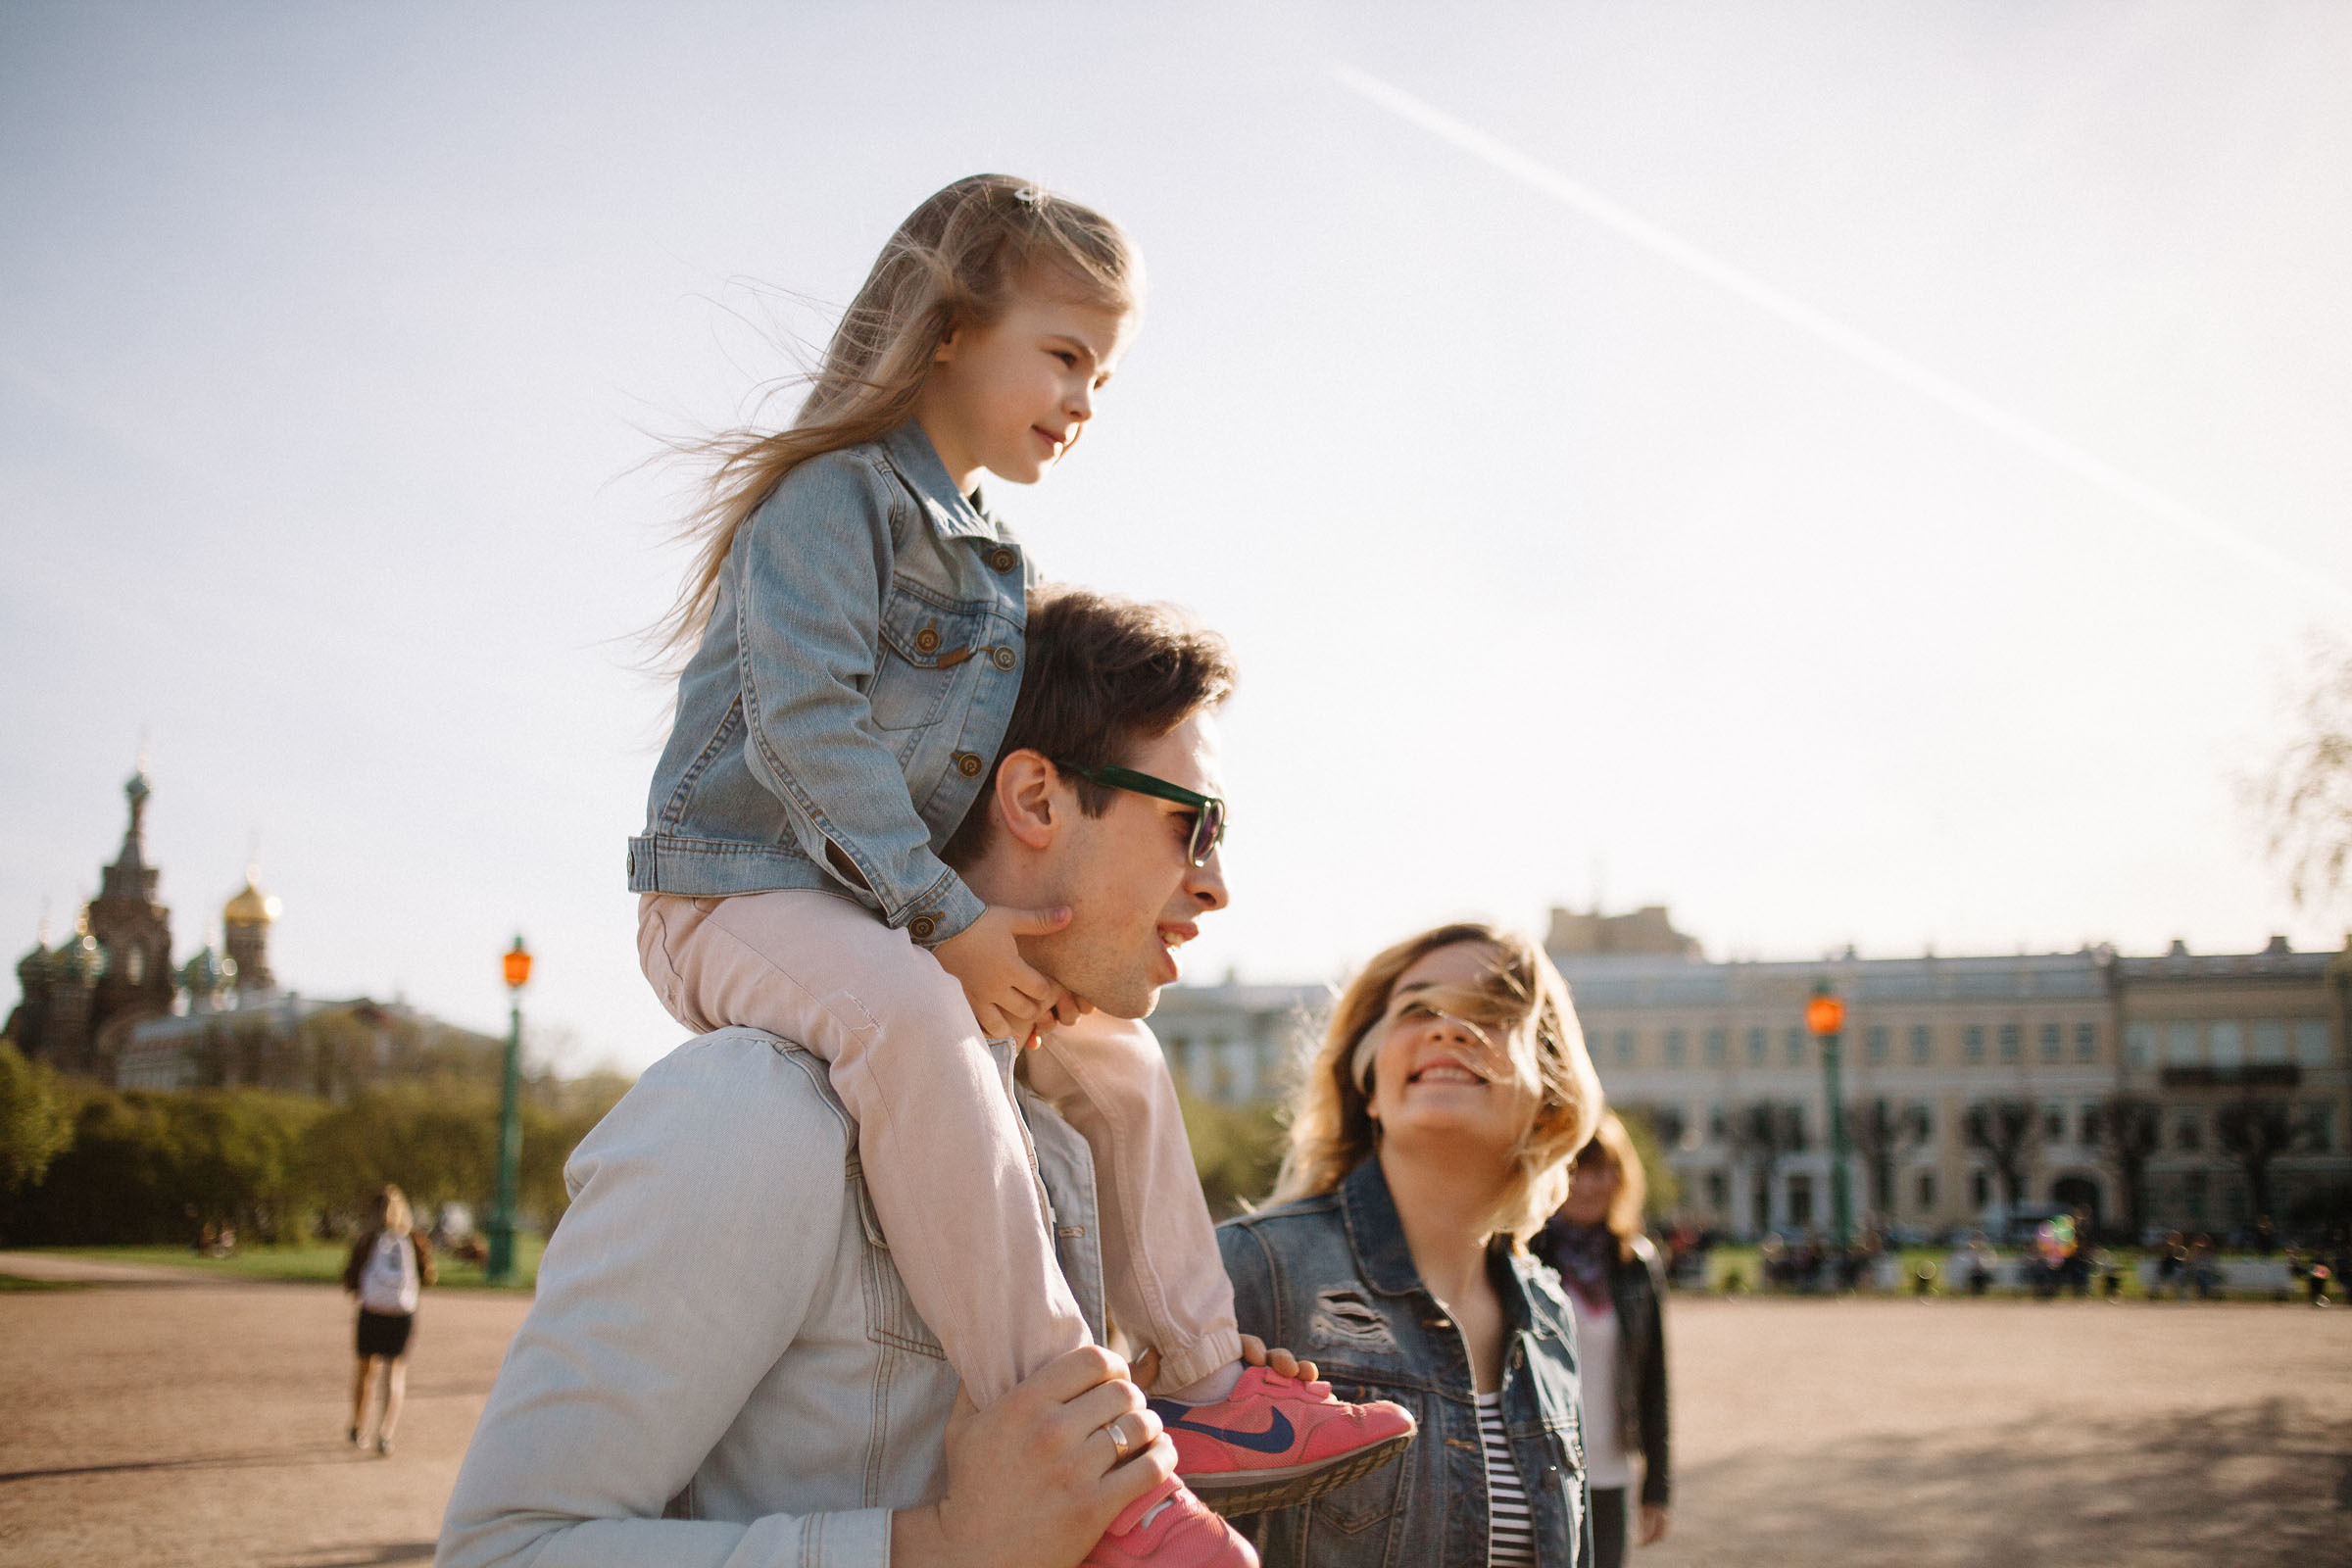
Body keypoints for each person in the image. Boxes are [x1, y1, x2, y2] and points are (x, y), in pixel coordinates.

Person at [625, 174, 1403, 1566]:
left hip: (870, 913)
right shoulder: (828, 502)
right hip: (731, 891)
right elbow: (803, 728)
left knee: (1108, 1054)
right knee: (916, 1017)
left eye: (1103, 373)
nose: (1086, 397)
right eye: (1063, 354)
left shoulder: (994, 560)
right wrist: (951, 919)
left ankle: (1202, 1383)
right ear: (944, 330)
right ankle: (1089, 1455)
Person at [443, 588, 1409, 1568]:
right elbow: (504, 1550)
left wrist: (1142, 1417)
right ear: (1035, 799)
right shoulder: (754, 1117)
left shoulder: (1054, 1134)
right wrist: (943, 1548)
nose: (1216, 883)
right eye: (1194, 825)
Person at [1217, 922, 1606, 1567]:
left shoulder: (1547, 1315)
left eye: (1493, 1012)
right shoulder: (1254, 1271)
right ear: (1368, 1084)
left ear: (1550, 1097)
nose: (1449, 1029)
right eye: (1418, 1007)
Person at [1529, 1115, 1671, 1567]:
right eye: (1575, 1171)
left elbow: (1654, 1381)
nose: (1588, 1185)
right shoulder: (1526, 1256)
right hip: (1537, 1465)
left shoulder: (1636, 1264)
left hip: (1609, 1467)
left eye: (1600, 1171)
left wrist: (1658, 1485)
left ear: (1620, 1177)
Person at [340, 1184, 434, 1457]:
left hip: (372, 1312)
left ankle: (359, 1426)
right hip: (402, 1314)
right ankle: (386, 1433)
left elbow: (352, 1278)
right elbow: (428, 1276)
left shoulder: (368, 1239)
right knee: (395, 1373)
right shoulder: (414, 1239)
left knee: (365, 1371)